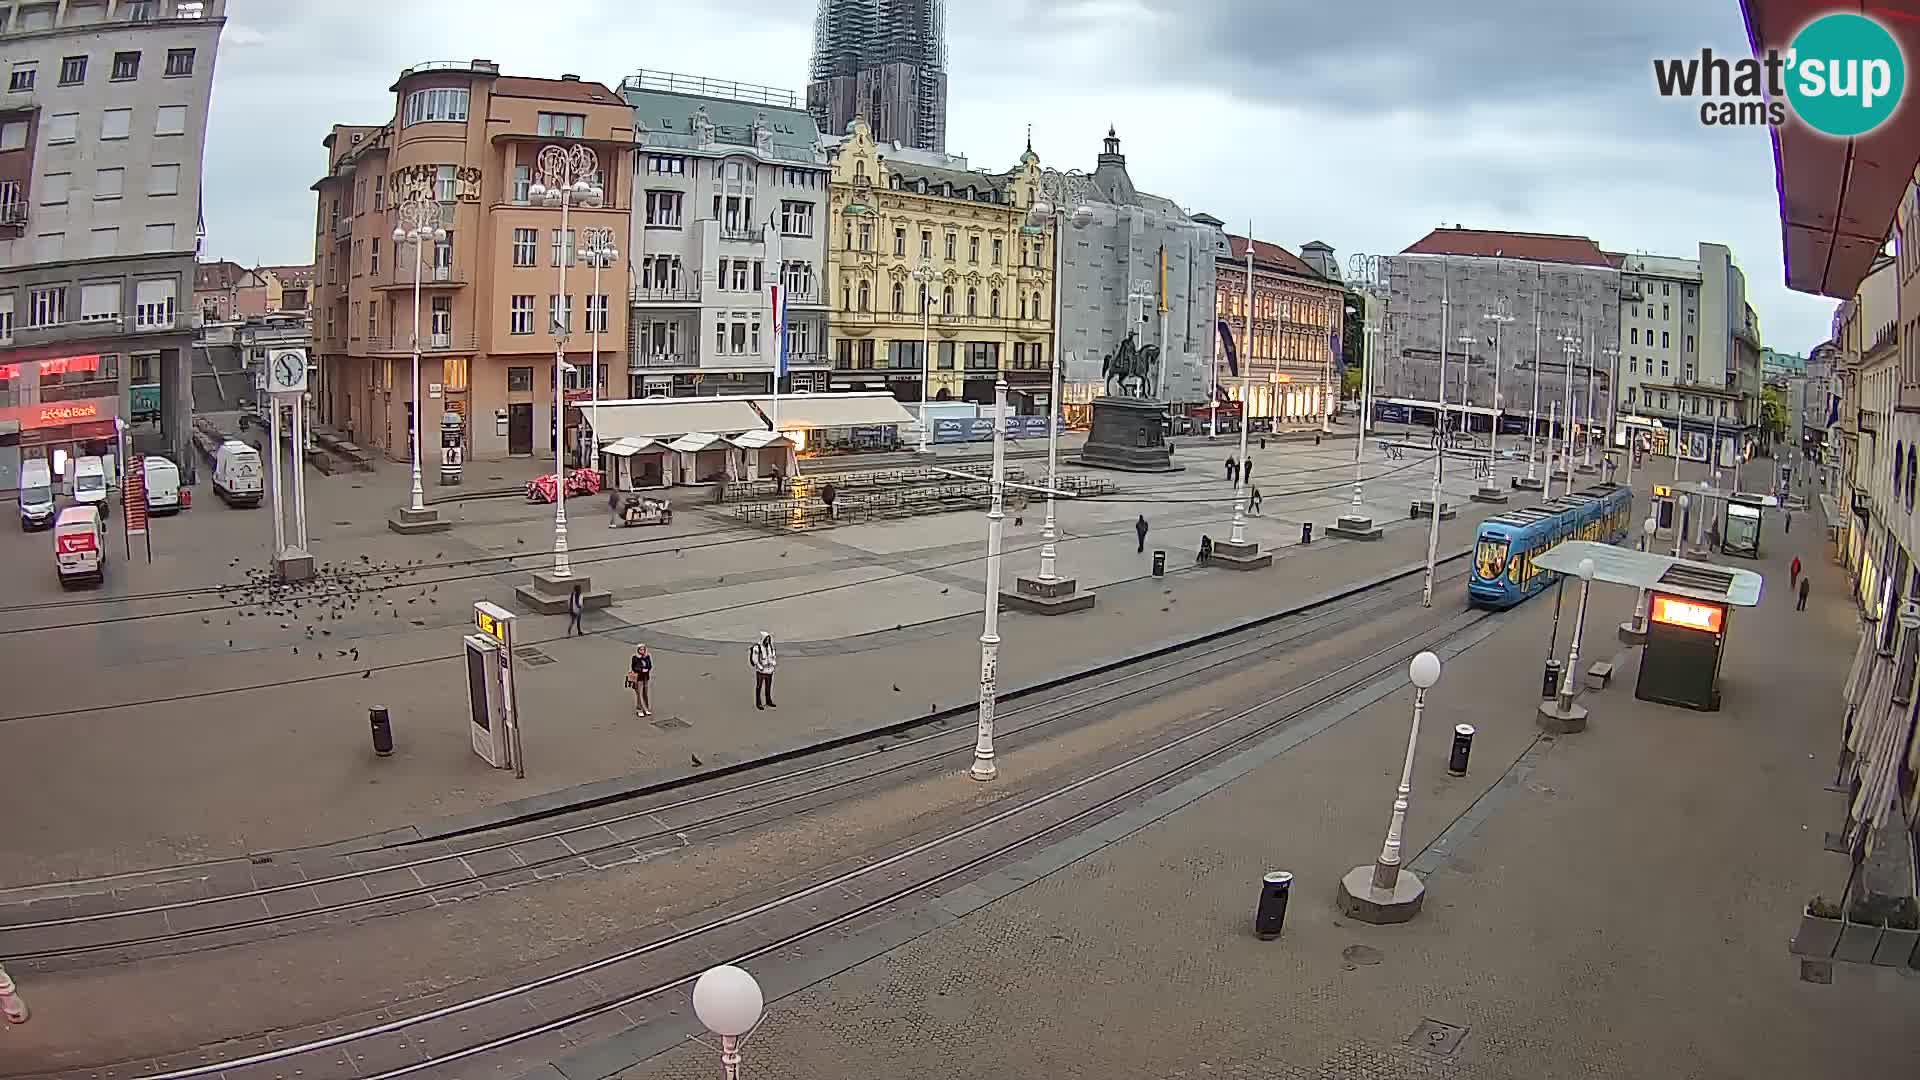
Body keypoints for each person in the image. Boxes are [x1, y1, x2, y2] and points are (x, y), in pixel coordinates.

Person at [750, 631, 778, 709]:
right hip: (761, 671)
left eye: (768, 639)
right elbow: (755, 659)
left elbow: (773, 655)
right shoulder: (757, 647)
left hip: (769, 670)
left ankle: (768, 700)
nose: (767, 641)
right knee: (759, 686)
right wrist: (760, 667)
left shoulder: (770, 646)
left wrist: (773, 662)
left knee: (768, 686)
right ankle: (758, 703)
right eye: (766, 639)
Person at [628, 644, 653, 718]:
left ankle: (646, 708)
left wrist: (647, 669)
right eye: (640, 650)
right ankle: (639, 709)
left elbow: (650, 665)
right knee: (639, 694)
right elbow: (634, 667)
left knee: (645, 693)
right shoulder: (635, 658)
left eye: (643, 649)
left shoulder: (647, 656)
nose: (642, 651)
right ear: (638, 650)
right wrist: (641, 670)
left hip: (646, 677)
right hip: (638, 678)